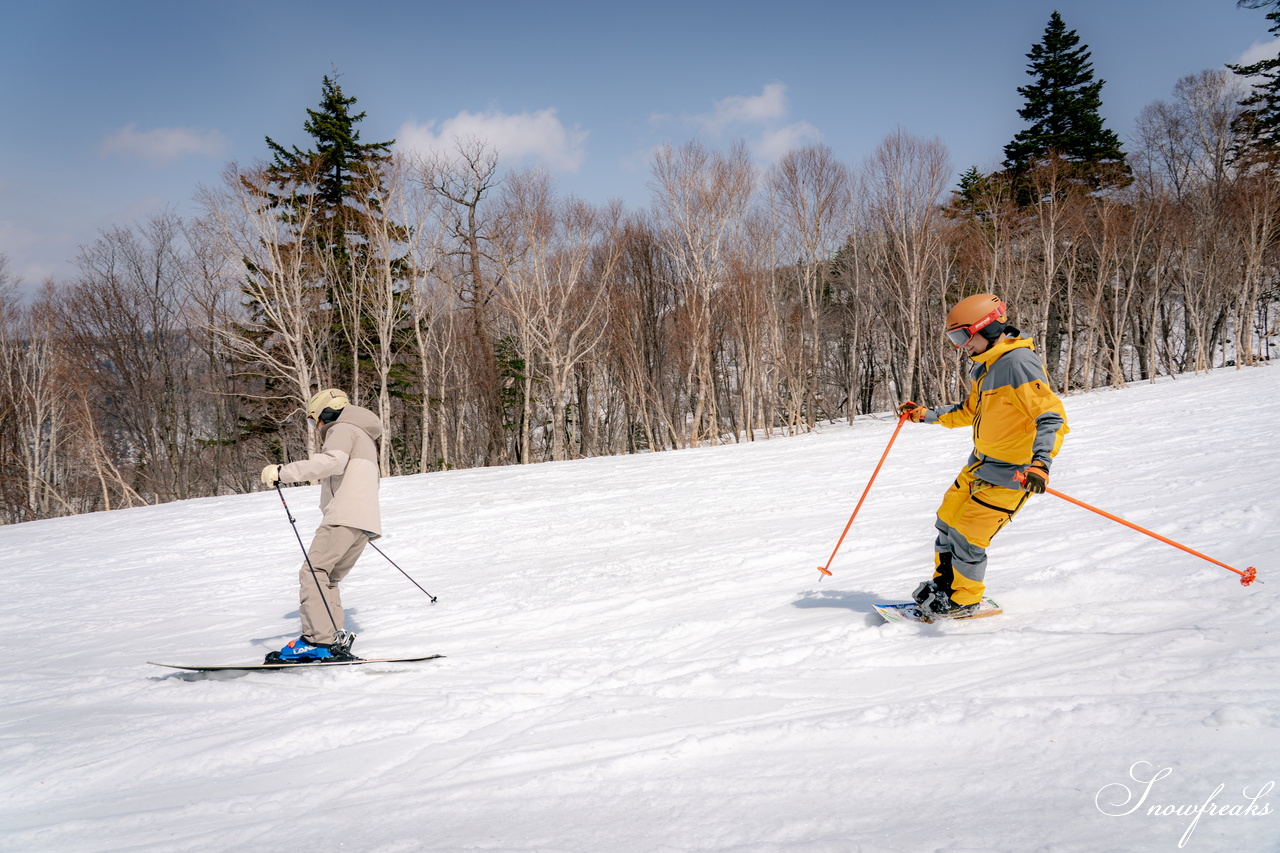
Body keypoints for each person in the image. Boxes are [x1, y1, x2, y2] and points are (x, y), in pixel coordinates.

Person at [897, 294, 1069, 617]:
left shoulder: (1017, 364)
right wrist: (925, 415)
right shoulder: (986, 368)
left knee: (968, 534)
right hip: (979, 467)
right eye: (953, 338)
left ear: (986, 328)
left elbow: (1051, 416)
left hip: (1012, 474)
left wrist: (1040, 464)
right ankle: (946, 586)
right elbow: (968, 411)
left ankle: (964, 599)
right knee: (947, 520)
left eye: (962, 336)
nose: (960, 346)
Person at [259, 388, 383, 662]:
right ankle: (332, 639)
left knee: (313, 572)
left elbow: (331, 462)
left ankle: (317, 642)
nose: (316, 427)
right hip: (363, 521)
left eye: (314, 419)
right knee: (329, 578)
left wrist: (282, 472)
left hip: (344, 517)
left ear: (326, 412)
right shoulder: (363, 436)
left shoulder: (342, 429)